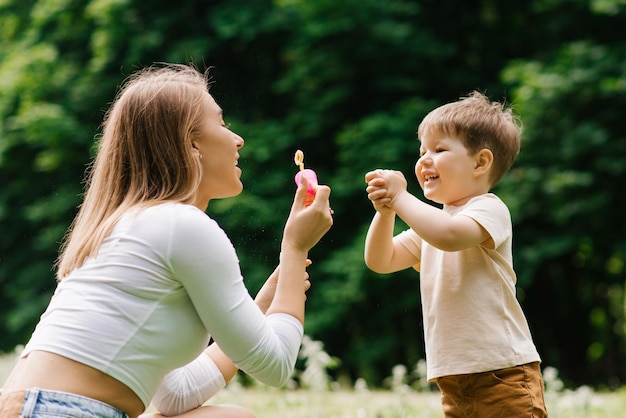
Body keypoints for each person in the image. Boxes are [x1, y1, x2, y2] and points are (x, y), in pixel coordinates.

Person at [0, 63, 333, 418]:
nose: (237, 139)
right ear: (191, 143)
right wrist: (296, 249)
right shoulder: (182, 225)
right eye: (221, 123)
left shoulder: (133, 227)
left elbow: (176, 394)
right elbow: (277, 366)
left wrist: (263, 303)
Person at [364, 91, 547, 417]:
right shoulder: (431, 223)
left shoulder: (489, 209)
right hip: (453, 377)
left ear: (480, 162)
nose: (424, 160)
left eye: (439, 149)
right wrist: (387, 211)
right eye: (421, 151)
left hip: (502, 372)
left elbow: (449, 237)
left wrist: (401, 197)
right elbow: (381, 260)